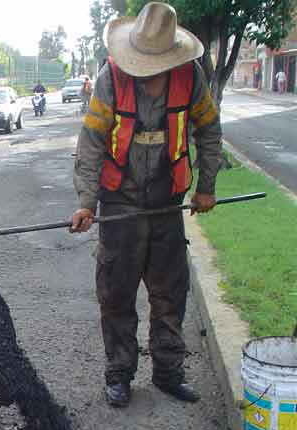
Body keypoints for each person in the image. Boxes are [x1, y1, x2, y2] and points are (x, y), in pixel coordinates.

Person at [71, 2, 221, 408]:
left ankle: (168, 373)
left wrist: (206, 187)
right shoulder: (110, 78)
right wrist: (86, 202)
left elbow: (208, 129)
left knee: (170, 294)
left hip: (166, 204)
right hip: (120, 205)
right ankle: (119, 374)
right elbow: (91, 143)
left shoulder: (190, 77)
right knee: (116, 294)